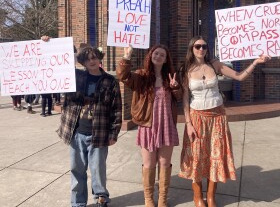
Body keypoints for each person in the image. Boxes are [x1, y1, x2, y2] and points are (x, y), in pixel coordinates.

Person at [178, 36, 271, 207]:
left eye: (204, 46)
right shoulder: (186, 69)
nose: (201, 49)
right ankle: (198, 196)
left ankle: (211, 196)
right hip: (197, 117)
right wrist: (188, 124)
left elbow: (239, 76)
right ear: (192, 48)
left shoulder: (215, 64)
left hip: (217, 117)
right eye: (197, 46)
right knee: (197, 156)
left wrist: (255, 62)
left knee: (216, 156)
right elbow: (185, 99)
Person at [42, 36, 122, 207]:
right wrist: (49, 43)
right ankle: (78, 202)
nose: (91, 61)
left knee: (98, 170)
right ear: (82, 62)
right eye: (87, 58)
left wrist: (114, 133)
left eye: (94, 57)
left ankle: (101, 198)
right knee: (77, 170)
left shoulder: (110, 81)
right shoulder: (74, 76)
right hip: (76, 131)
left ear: (99, 59)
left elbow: (116, 109)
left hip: (99, 133)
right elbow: (58, 63)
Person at [116, 44, 182, 207]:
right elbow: (123, 77)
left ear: (166, 59)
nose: (158, 56)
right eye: (156, 53)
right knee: (149, 164)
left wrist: (175, 88)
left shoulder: (170, 77)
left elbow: (179, 96)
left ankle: (162, 199)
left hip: (167, 125)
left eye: (162, 55)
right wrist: (126, 57)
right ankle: (148, 199)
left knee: (165, 164)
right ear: (150, 55)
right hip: (148, 125)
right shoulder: (141, 75)